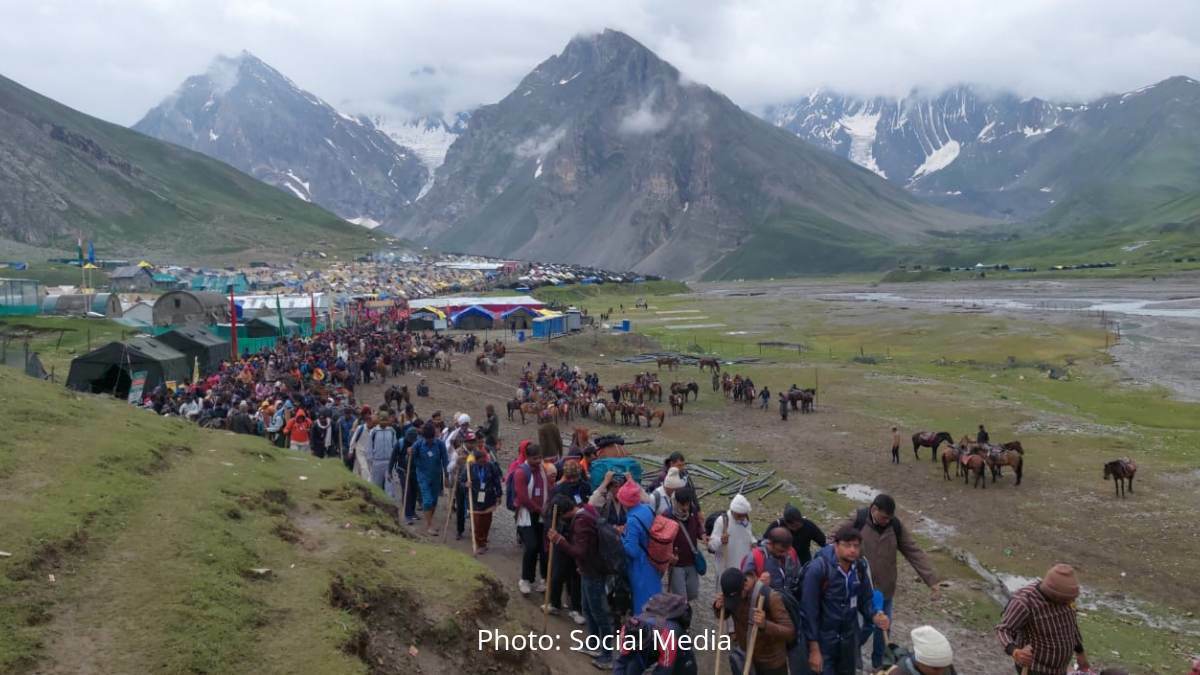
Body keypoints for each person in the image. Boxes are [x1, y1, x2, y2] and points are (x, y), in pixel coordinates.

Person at [836, 493, 939, 671]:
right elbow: (834, 540)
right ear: (873, 509)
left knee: (884, 626)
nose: (886, 521)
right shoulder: (858, 520)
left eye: (889, 518)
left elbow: (912, 550)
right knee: (864, 625)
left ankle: (879, 664)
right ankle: (849, 655)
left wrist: (931, 580)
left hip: (885, 589)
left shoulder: (895, 526)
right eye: (884, 517)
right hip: (860, 589)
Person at [801, 525, 890, 675]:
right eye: (847, 545)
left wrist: (875, 615)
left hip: (848, 641)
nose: (853, 550)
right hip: (824, 643)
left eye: (856, 546)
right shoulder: (818, 569)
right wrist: (814, 649)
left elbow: (866, 599)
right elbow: (809, 612)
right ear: (836, 545)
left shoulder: (859, 568)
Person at [547, 489, 614, 670]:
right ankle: (593, 644)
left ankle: (608, 655)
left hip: (594, 571)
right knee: (587, 608)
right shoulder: (586, 509)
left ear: (562, 514)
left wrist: (559, 540)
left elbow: (579, 551)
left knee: (599, 612)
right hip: (586, 569)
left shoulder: (581, 523)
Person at [995, 564, 1090, 675]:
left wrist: (1080, 653)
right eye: (1066, 600)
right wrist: (1016, 652)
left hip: (1060, 670)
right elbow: (1003, 630)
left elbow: (1071, 627)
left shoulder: (1066, 600)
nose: (1070, 603)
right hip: (1035, 669)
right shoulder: (1025, 601)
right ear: (1055, 595)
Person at [714, 567, 794, 675]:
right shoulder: (733, 593)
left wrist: (765, 624)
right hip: (747, 657)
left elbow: (789, 632)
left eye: (737, 598)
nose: (735, 602)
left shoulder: (770, 597)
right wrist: (718, 607)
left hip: (771, 663)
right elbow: (723, 614)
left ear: (745, 586)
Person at [620, 478, 662, 615]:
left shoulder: (632, 520)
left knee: (642, 606)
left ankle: (644, 633)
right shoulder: (647, 509)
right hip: (653, 561)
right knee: (655, 599)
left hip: (640, 566)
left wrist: (621, 538)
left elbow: (632, 551)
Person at [512, 443, 550, 596]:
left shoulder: (542, 470)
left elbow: (548, 488)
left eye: (540, 457)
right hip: (526, 514)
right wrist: (539, 509)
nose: (538, 461)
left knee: (543, 547)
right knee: (532, 546)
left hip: (541, 514)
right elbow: (522, 497)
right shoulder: (521, 472)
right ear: (527, 457)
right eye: (535, 458)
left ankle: (544, 579)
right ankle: (526, 579)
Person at [542, 494, 585, 625]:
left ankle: (576, 609)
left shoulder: (579, 518)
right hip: (560, 550)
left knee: (575, 579)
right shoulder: (554, 513)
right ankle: (554, 603)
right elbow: (548, 528)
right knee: (556, 576)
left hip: (574, 550)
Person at [707, 494, 756, 589]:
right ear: (733, 511)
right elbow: (711, 545)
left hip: (742, 568)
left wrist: (754, 543)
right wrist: (721, 540)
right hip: (725, 567)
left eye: (744, 515)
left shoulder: (746, 521)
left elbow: (749, 536)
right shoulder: (722, 521)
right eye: (740, 515)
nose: (742, 518)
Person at [464, 440, 502, 554]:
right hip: (474, 498)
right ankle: (478, 542)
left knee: (486, 522)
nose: (483, 462)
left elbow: (497, 481)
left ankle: (483, 541)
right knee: (477, 522)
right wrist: (466, 484)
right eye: (481, 461)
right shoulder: (470, 467)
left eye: (485, 460)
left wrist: (499, 495)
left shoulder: (491, 466)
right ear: (476, 460)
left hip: (488, 498)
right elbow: (462, 481)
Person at [667, 486, 703, 603]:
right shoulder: (667, 515)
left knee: (693, 592)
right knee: (681, 598)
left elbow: (698, 527)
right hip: (677, 563)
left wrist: (703, 534)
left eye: (687, 504)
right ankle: (681, 617)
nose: (685, 508)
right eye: (682, 505)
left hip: (691, 561)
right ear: (676, 502)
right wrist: (668, 555)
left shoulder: (692, 510)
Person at [411, 422, 448, 536]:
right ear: (423, 437)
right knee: (427, 500)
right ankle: (429, 526)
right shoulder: (418, 444)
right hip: (423, 476)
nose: (430, 441)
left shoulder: (440, 444)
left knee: (434, 501)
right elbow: (413, 458)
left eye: (431, 438)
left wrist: (446, 476)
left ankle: (430, 520)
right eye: (427, 439)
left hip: (436, 476)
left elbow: (445, 461)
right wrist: (410, 454)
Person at [887, 626, 956, 675]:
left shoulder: (944, 666)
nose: (941, 673)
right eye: (935, 669)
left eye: (944, 667)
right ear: (920, 662)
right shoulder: (899, 672)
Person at [366, 414, 398, 491]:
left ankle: (389, 502)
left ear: (387, 421)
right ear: (378, 421)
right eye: (381, 421)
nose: (383, 423)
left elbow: (394, 446)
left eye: (385, 421)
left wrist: (395, 462)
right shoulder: (373, 432)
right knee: (377, 487)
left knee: (389, 487)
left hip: (389, 462)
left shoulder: (392, 431)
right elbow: (370, 447)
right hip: (377, 462)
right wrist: (371, 462)